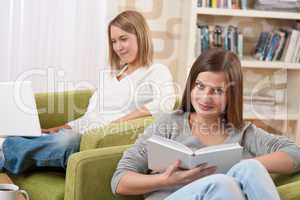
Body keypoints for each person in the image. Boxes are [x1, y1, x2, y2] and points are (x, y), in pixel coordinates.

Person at [0, 10, 176, 175]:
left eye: (123, 39)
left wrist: (117, 123)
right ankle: (12, 148)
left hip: (97, 141)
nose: (118, 47)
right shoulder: (111, 76)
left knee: (67, 141)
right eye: (114, 41)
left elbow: (164, 104)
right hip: (79, 134)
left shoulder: (156, 71)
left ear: (140, 36)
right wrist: (55, 129)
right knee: (54, 136)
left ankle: (5, 153)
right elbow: (89, 117)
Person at [111, 48, 300, 200]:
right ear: (191, 84)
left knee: (250, 169)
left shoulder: (243, 132)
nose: (205, 97)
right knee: (222, 183)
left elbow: (295, 154)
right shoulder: (168, 124)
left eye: (217, 90)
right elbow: (119, 181)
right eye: (200, 86)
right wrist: (166, 180)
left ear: (230, 96)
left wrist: (240, 164)